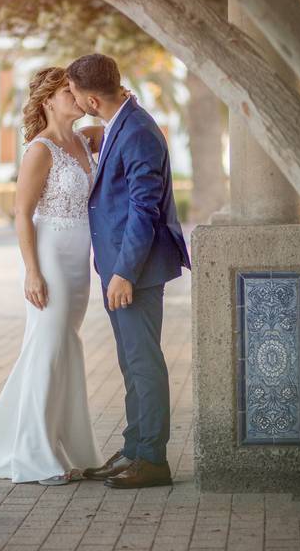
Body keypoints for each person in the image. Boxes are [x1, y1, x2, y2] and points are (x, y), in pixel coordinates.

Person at [0, 66, 105, 485]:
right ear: (48, 101)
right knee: (48, 345)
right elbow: (22, 213)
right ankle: (35, 456)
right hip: (51, 254)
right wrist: (32, 273)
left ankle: (71, 448)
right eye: (68, 91)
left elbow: (127, 123)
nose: (77, 96)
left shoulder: (87, 139)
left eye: (77, 90)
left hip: (80, 256)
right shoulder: (40, 150)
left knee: (63, 347)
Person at [67, 53, 191, 489]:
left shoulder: (137, 131)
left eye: (79, 99)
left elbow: (144, 209)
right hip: (121, 267)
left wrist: (124, 273)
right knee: (130, 361)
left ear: (94, 99)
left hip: (133, 269)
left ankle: (153, 460)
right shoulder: (124, 122)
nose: (78, 105)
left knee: (144, 363)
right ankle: (135, 447)